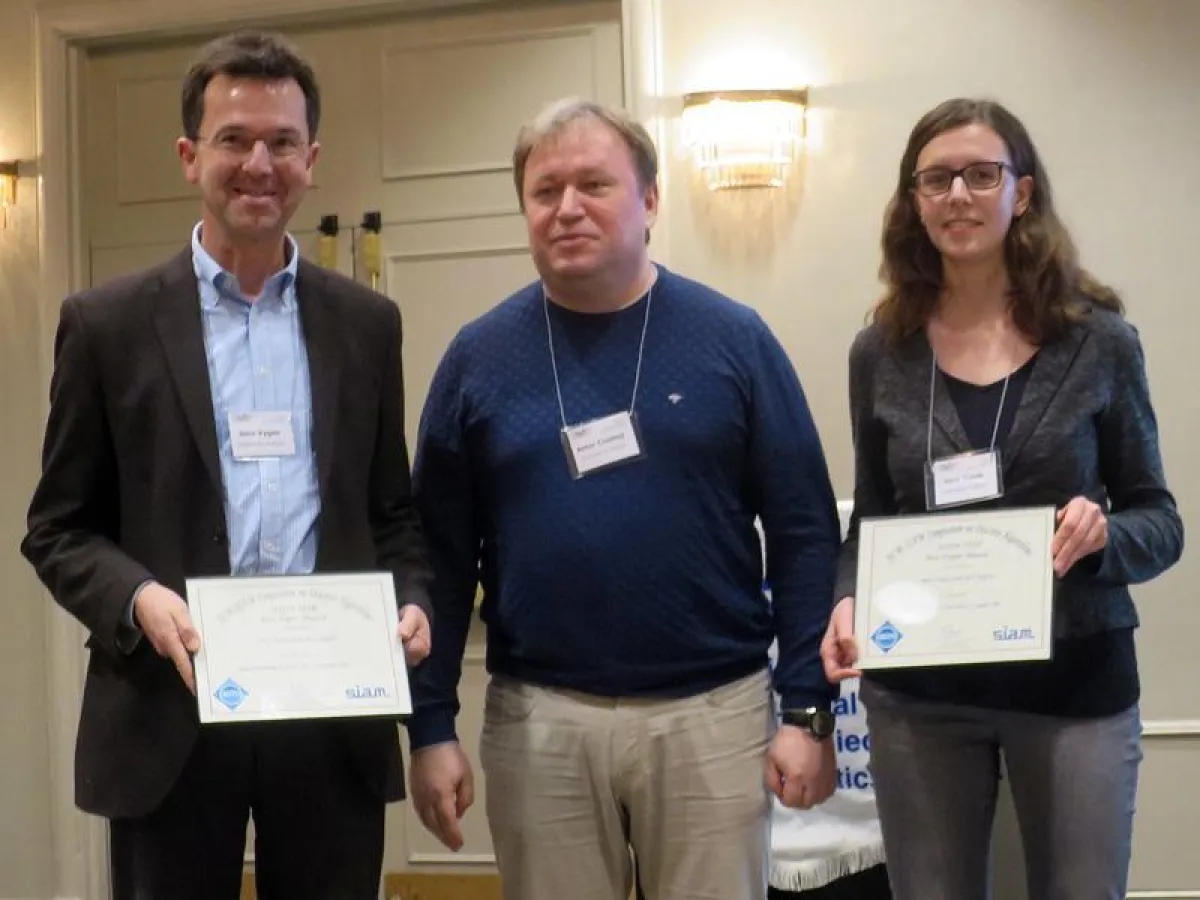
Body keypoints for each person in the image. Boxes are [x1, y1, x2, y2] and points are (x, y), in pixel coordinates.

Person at [21, 31, 433, 900]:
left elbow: (391, 513)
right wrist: (139, 598)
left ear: (311, 159)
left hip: (330, 715)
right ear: (188, 155)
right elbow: (57, 528)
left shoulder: (368, 325)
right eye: (234, 139)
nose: (259, 163)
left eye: (282, 142)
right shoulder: (107, 325)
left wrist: (412, 602)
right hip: (169, 715)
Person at [405, 97, 841, 900]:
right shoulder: (477, 358)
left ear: (648, 200)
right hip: (541, 720)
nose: (567, 208)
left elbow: (805, 530)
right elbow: (432, 554)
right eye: (545, 191)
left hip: (714, 714)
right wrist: (430, 724)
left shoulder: (732, 339)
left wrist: (807, 708)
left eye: (594, 185)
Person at [821, 97, 1184, 900]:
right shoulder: (879, 351)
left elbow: (1159, 520)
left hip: (1075, 686)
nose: (958, 195)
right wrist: (848, 597)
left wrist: (1103, 539)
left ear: (1021, 192)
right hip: (921, 697)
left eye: (982, 175)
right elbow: (873, 521)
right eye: (937, 178)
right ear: (912, 201)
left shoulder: (1099, 342)